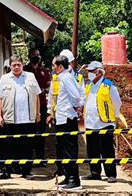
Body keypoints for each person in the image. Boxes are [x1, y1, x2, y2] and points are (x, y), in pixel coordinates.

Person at [0, 55, 41, 180]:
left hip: (27, 119)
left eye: (18, 65)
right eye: (13, 65)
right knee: (8, 147)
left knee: (27, 147)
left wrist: (37, 114)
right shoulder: (4, 79)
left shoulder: (30, 77)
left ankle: (26, 171)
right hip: (10, 120)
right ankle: (7, 171)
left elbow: (37, 96)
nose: (16, 67)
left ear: (22, 65)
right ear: (10, 66)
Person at [47, 55, 83, 190]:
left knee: (70, 150)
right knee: (63, 149)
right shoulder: (61, 78)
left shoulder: (67, 78)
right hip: (61, 118)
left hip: (68, 118)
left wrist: (75, 107)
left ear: (61, 67)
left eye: (53, 65)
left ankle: (74, 180)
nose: (52, 68)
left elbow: (76, 96)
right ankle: (68, 176)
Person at [83, 61, 122, 183]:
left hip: (105, 122)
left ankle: (111, 174)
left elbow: (117, 103)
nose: (89, 73)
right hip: (90, 122)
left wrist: (113, 116)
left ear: (99, 72)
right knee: (92, 149)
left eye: (91, 71)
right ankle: (95, 173)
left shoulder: (109, 86)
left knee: (107, 149)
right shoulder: (88, 85)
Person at [24, 48, 51, 161]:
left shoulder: (44, 70)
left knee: (41, 133)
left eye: (38, 54)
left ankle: (40, 158)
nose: (37, 56)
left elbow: (50, 86)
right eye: (34, 54)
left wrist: (44, 90)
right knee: (28, 133)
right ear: (29, 56)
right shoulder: (25, 70)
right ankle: (27, 159)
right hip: (28, 106)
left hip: (42, 106)